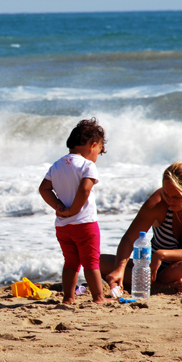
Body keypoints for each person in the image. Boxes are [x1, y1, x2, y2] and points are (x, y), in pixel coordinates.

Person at [101, 155, 182, 294]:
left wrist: (161, 254)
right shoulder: (157, 203)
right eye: (166, 194)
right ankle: (161, 286)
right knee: (101, 261)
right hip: (156, 270)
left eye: (177, 197)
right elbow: (129, 238)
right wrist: (119, 269)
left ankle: (156, 286)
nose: (170, 201)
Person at [39, 118, 107, 305]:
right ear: (93, 146)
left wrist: (60, 207)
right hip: (85, 224)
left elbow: (44, 188)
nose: (97, 156)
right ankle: (99, 298)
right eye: (99, 151)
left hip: (63, 226)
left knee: (70, 263)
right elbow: (85, 189)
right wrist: (74, 210)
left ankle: (68, 297)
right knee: (91, 262)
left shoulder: (57, 165)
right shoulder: (87, 166)